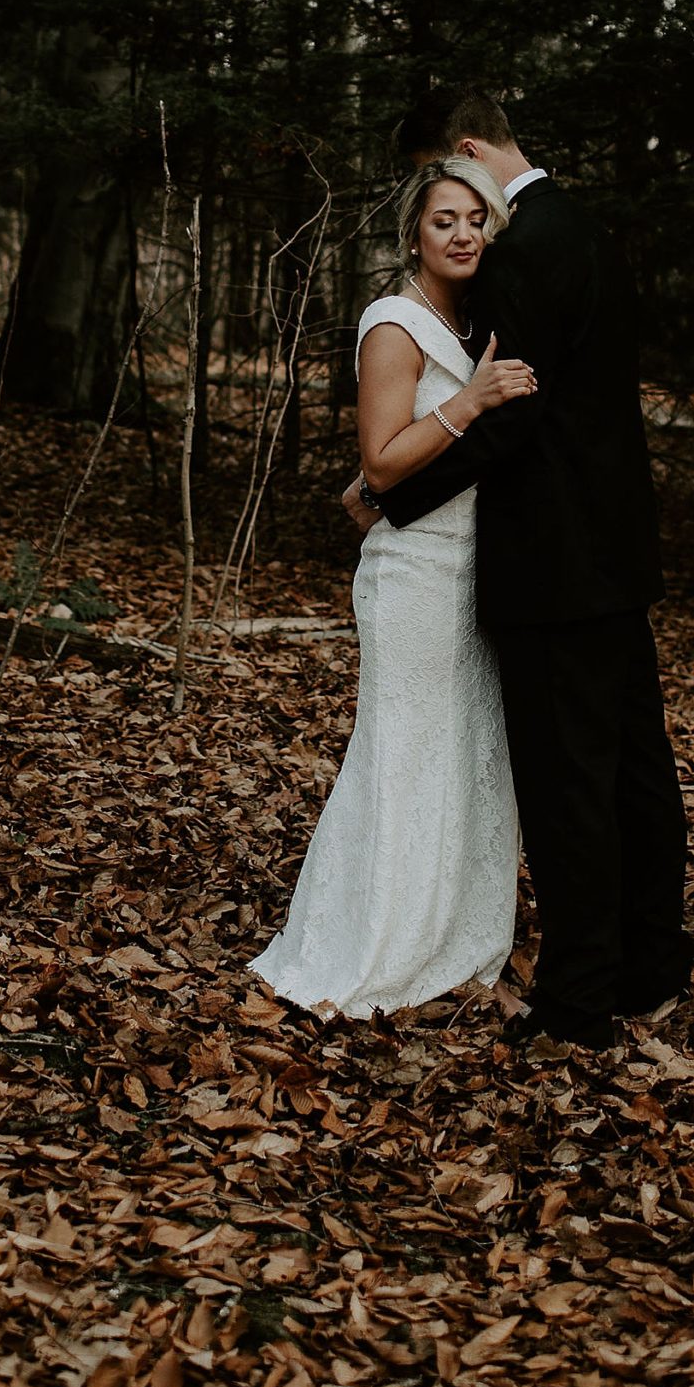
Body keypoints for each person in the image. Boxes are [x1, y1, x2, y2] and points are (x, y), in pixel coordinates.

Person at [344, 87, 692, 1051]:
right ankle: (652, 961)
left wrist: (387, 496)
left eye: (440, 182)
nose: (450, 212)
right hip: (614, 550)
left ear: (461, 149)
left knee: (569, 778)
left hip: (552, 561)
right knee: (632, 767)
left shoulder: (525, 245)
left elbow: (520, 414)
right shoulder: (581, 224)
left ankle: (580, 1000)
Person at [251, 156, 536, 1017]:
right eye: (444, 220)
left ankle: (454, 934)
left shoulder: (477, 315)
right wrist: (473, 400)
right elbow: (380, 460)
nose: (461, 235)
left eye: (475, 221)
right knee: (405, 753)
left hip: (476, 569)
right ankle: (373, 941)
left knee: (466, 756)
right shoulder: (394, 321)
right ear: (414, 231)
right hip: (414, 574)